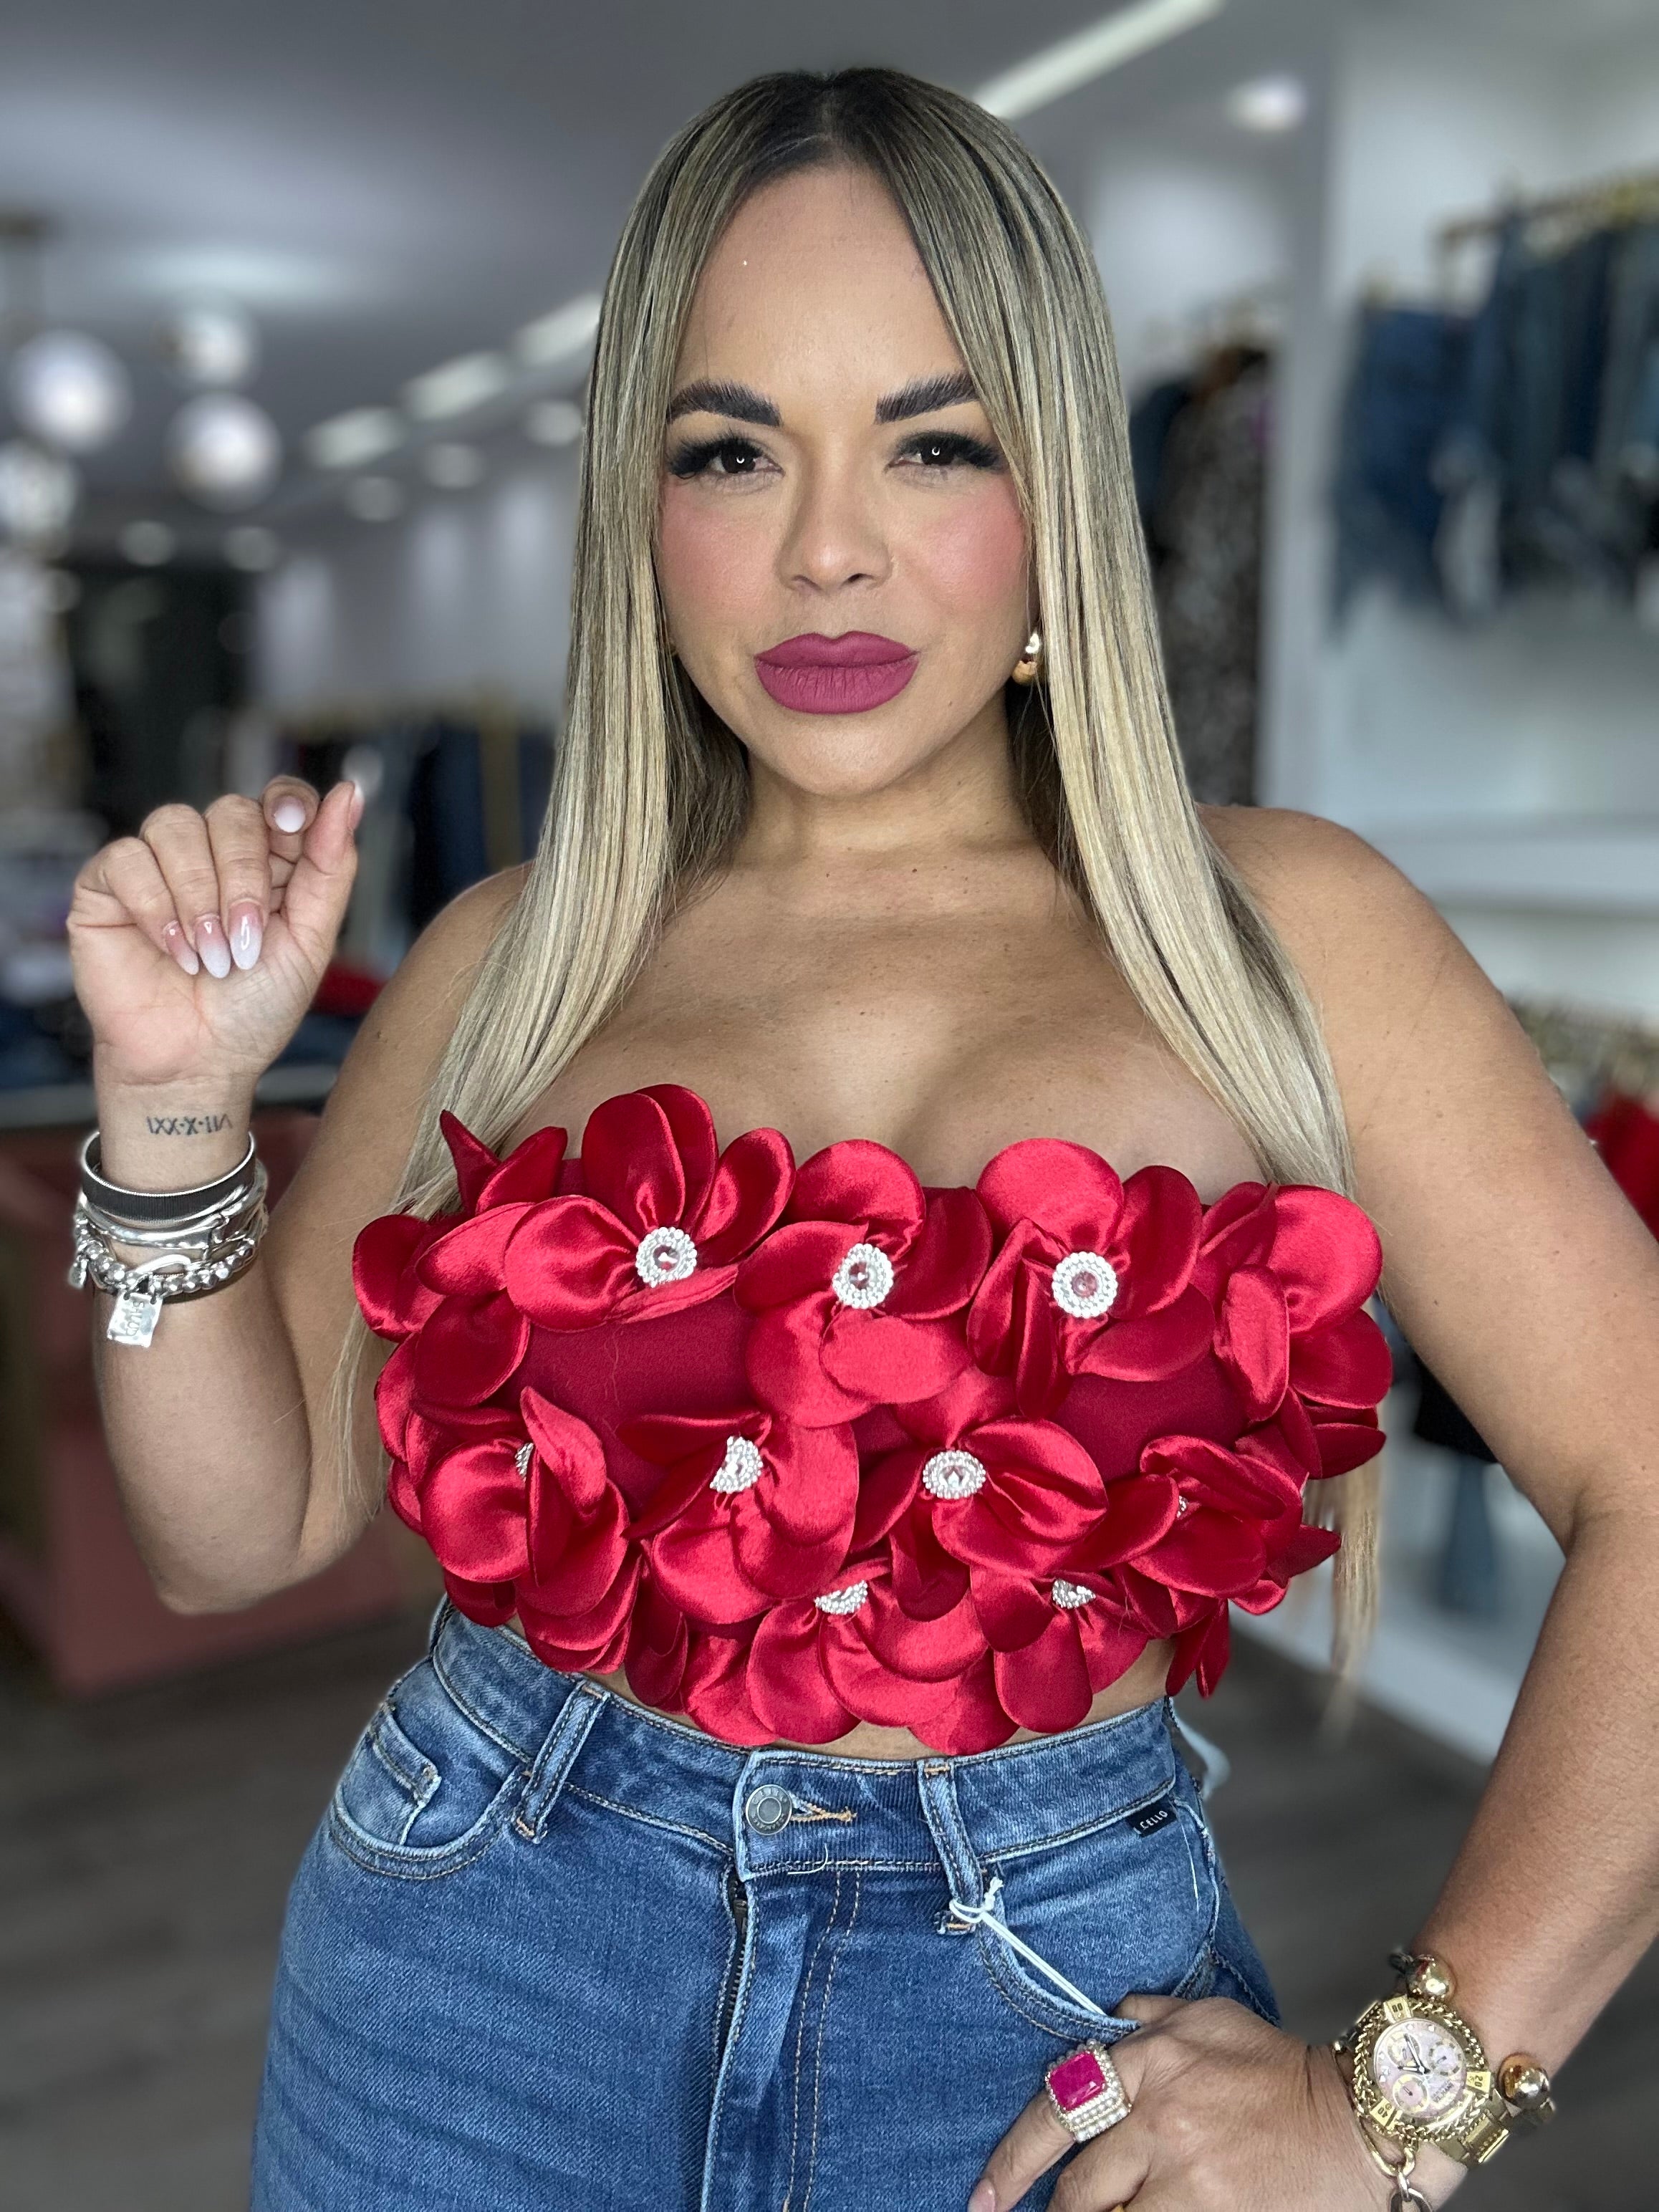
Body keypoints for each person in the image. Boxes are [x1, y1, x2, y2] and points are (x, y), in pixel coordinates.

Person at [66, 67, 1658, 2212]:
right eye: (733, 448)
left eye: (935, 441)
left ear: (1057, 490)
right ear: (640, 510)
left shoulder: (1283, 934)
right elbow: (232, 1537)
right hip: (470, 1983)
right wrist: (172, 1102)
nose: (827, 545)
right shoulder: (512, 956)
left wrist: (1398, 2109)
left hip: (1038, 2036)